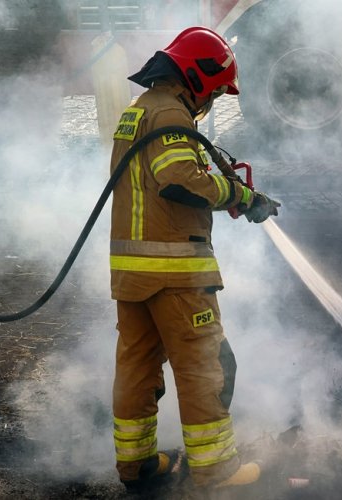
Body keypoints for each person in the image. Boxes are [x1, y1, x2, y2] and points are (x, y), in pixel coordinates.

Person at [107, 26, 280, 492]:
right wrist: (240, 195)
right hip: (174, 271)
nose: (215, 100)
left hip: (132, 272)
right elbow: (178, 178)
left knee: (138, 368)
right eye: (218, 91)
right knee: (207, 366)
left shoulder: (139, 110)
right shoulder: (169, 114)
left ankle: (137, 466)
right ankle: (217, 472)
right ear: (200, 76)